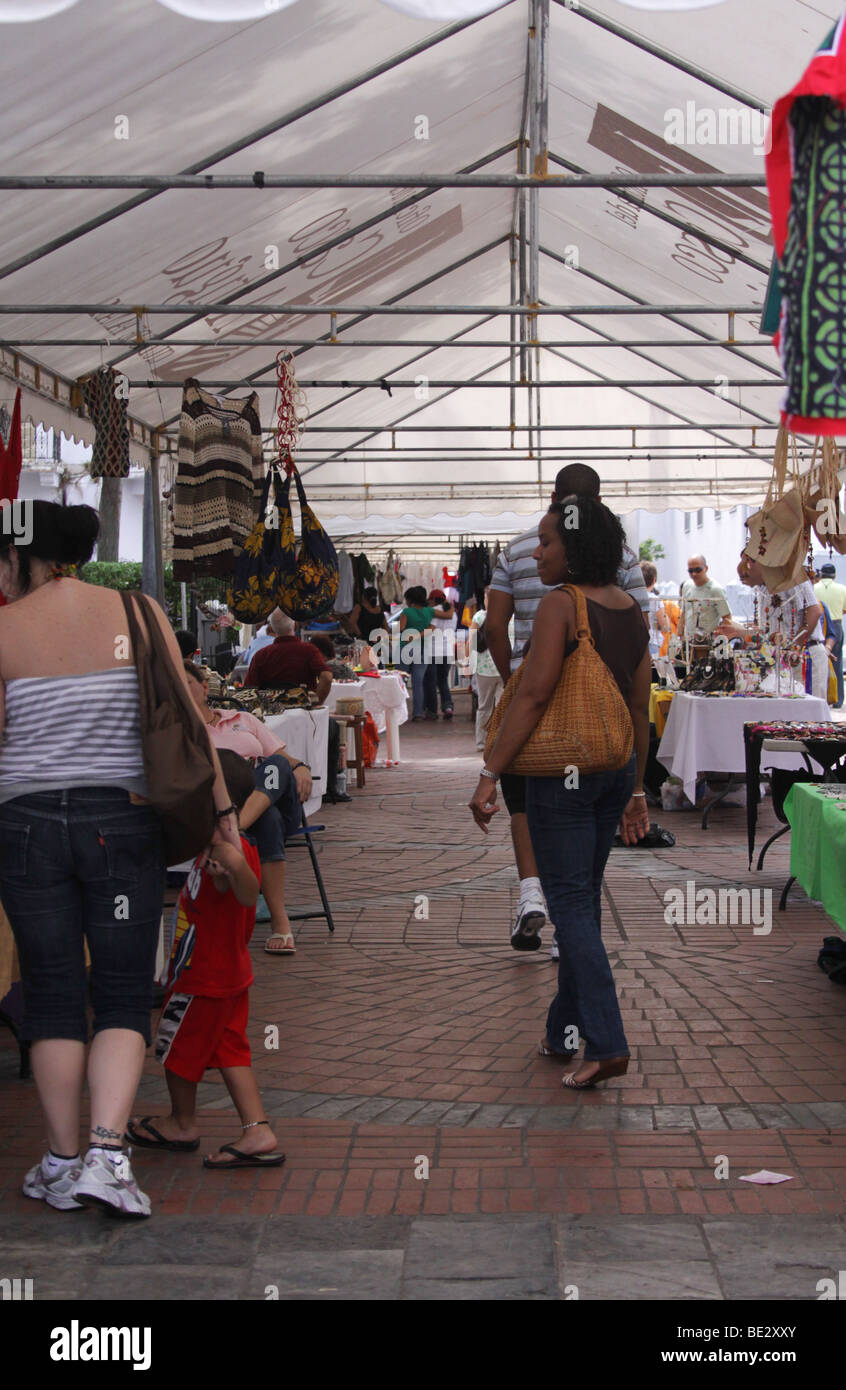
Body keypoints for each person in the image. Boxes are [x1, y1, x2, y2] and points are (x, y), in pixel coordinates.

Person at [0, 501, 240, 1219]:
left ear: (24, 556)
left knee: (50, 994)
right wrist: (223, 819)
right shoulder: (137, 615)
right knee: (124, 991)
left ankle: (61, 1159)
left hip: (26, 828)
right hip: (123, 824)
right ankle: (108, 1154)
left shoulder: (3, 628)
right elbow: (192, 728)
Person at [469, 496, 650, 1089]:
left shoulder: (559, 605)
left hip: (563, 777)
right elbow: (640, 708)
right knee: (582, 899)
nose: (537, 552)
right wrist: (637, 788)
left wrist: (491, 773)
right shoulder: (629, 607)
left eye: (547, 542)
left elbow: (534, 694)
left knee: (569, 903)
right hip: (612, 768)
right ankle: (563, 1028)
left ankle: (606, 1042)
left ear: (575, 548)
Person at [485, 463, 649, 956]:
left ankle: (535, 893)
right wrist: (637, 781)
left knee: (526, 800)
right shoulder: (620, 556)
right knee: (584, 861)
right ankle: (571, 939)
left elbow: (494, 627)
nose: (540, 552)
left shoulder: (517, 549)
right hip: (603, 725)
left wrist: (516, 678)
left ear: (554, 496)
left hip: (538, 712)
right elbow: (638, 635)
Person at [127, 751, 285, 1169]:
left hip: (205, 978)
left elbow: (250, 894)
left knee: (176, 1047)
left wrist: (232, 868)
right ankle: (257, 1129)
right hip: (225, 975)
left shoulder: (232, 854)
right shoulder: (216, 846)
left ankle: (181, 1121)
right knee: (231, 1051)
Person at [184, 662, 312, 955]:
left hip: (260, 801)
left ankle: (236, 827)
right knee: (268, 817)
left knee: (277, 765)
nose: (180, 689)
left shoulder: (242, 718)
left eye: (186, 683)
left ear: (204, 688)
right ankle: (282, 926)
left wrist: (301, 767)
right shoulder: (181, 733)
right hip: (220, 809)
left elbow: (282, 758)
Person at [247, 609, 349, 803]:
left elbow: (249, 690)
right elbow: (327, 676)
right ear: (294, 626)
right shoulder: (308, 650)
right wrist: (318, 701)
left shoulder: (261, 655)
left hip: (272, 717)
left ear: (271, 629)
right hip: (304, 713)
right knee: (332, 728)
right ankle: (329, 787)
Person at [719, 559, 827, 701]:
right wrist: (744, 632)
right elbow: (768, 631)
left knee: (808, 711)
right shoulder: (763, 589)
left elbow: (814, 611)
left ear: (757, 565)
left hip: (804, 657)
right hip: (780, 659)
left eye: (745, 576)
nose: (744, 581)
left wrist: (795, 648)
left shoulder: (791, 577)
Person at [398, 586, 451, 721]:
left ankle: (399, 712)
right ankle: (418, 713)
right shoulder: (430, 611)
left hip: (407, 649)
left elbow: (401, 628)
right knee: (418, 683)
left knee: (400, 681)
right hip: (424, 650)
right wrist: (450, 606)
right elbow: (448, 615)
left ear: (410, 600)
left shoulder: (407, 611)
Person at [471, 588, 505, 752]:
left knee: (484, 706)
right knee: (502, 706)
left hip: (485, 669)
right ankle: (498, 740)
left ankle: (482, 742)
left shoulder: (479, 616)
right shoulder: (510, 616)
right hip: (503, 668)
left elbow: (471, 642)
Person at [677, 555, 730, 647]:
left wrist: (717, 637)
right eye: (690, 571)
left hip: (708, 644)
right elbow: (684, 612)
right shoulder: (687, 586)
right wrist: (680, 634)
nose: (694, 574)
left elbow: (727, 618)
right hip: (688, 644)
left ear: (706, 568)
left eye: (698, 570)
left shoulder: (715, 589)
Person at [814, 562, 845, 707]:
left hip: (819, 625)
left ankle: (822, 697)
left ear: (821, 575)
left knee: (818, 663)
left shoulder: (814, 588)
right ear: (834, 575)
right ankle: (838, 699)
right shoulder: (842, 589)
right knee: (837, 664)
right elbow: (844, 609)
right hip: (836, 625)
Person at [423, 588, 457, 720]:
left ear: (433, 600)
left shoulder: (435, 611)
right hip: (447, 650)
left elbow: (431, 630)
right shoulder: (453, 613)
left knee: (430, 681)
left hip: (433, 650)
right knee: (443, 681)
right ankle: (448, 707)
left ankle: (431, 711)